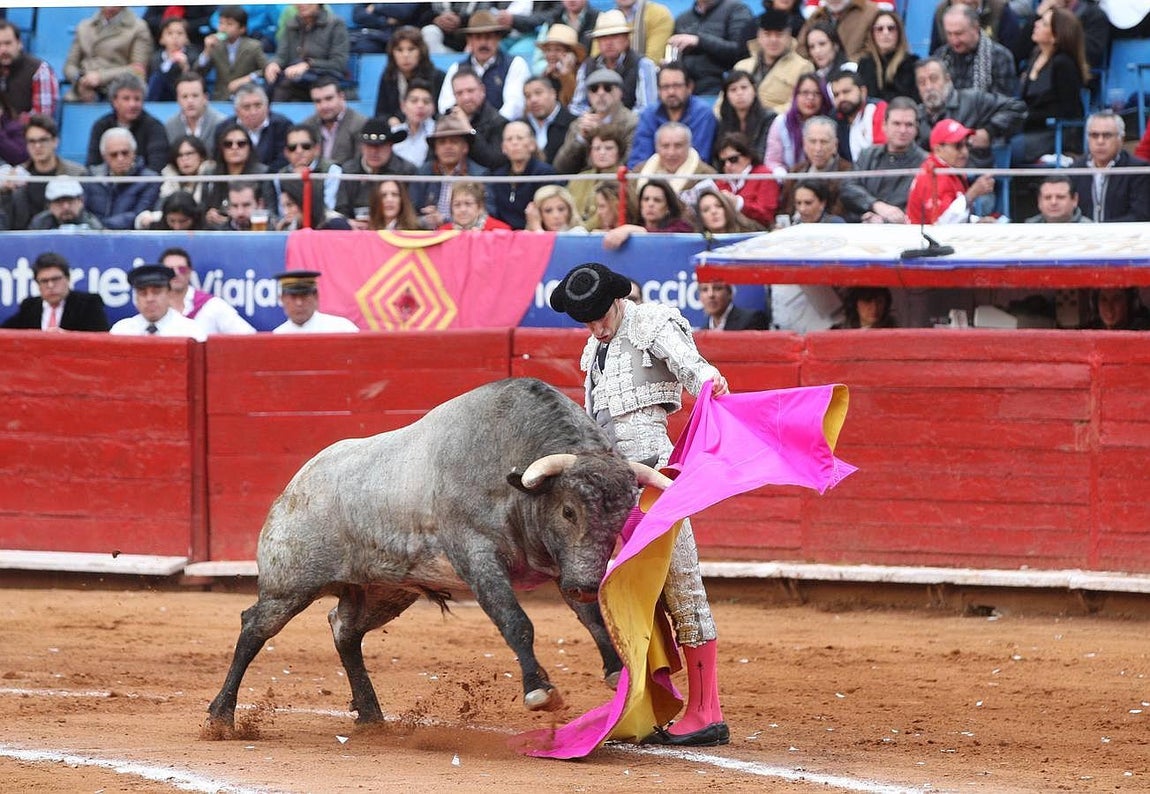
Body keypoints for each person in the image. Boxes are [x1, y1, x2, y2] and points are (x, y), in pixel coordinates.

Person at [548, 261, 730, 747]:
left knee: (681, 587)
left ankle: (706, 713)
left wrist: (709, 382)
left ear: (615, 299)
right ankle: (653, 703)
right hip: (614, 487)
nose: (593, 327)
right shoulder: (593, 350)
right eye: (583, 320)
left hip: (657, 480)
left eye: (597, 316)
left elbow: (697, 370)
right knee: (635, 596)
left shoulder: (653, 323)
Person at [914, 57, 1026, 170]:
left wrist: (990, 131)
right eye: (922, 82)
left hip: (972, 174)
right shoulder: (917, 116)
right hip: (933, 179)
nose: (928, 87)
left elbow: (1017, 108)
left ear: (947, 79)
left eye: (934, 79)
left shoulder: (973, 100)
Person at [1010, 7, 1089, 166]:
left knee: (1010, 148)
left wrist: (1026, 116)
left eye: (1044, 23)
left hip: (1056, 133)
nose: (1036, 24)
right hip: (1029, 129)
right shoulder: (1035, 55)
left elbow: (1068, 111)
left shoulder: (1063, 64)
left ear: (1055, 36)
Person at [841, 97, 928, 224]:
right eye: (896, 124)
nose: (902, 130)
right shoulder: (867, 154)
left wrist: (884, 219)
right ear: (884, 125)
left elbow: (924, 205)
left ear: (916, 128)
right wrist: (875, 205)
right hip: (864, 226)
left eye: (909, 125)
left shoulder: (926, 162)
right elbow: (848, 187)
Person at [437, 11, 530, 121]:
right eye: (478, 37)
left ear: (498, 39)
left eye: (488, 37)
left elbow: (515, 106)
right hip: (465, 130)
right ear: (469, 40)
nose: (483, 43)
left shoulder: (515, 64)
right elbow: (445, 105)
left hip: (501, 130)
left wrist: (492, 128)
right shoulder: (457, 68)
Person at [3, 115, 87, 231]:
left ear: (55, 141)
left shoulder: (77, 174)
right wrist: (4, 193)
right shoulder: (15, 177)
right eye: (32, 141)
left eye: (43, 140)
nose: (37, 146)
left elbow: (87, 216)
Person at [409, 113, 492, 229]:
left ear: (465, 148)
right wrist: (425, 219)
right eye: (442, 142)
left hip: (468, 235)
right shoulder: (424, 173)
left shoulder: (479, 175)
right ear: (435, 149)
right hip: (429, 237)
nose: (448, 147)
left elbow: (491, 212)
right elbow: (410, 212)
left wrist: (446, 221)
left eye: (454, 141)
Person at [906, 119, 997, 224]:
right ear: (938, 149)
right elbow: (941, 223)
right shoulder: (933, 175)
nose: (965, 152)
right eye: (958, 146)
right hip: (922, 239)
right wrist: (972, 194)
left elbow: (951, 216)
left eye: (966, 145)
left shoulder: (949, 170)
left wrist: (978, 221)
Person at [627, 62, 717, 169]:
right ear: (659, 90)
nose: (671, 92)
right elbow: (639, 159)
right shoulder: (649, 114)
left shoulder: (703, 113)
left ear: (689, 87)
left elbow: (699, 159)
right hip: (654, 178)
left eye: (677, 86)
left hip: (693, 179)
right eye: (665, 87)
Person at [568, 10, 658, 117]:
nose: (609, 42)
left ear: (626, 39)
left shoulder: (643, 65)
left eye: (615, 36)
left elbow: (647, 108)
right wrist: (592, 118)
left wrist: (614, 122)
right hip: (595, 127)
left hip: (631, 129)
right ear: (597, 42)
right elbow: (577, 106)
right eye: (603, 38)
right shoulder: (587, 66)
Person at [1068, 111, 1150, 223]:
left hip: (1126, 238)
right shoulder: (1075, 170)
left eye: (1107, 135)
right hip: (1081, 237)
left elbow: (1141, 215)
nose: (1100, 141)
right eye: (1094, 135)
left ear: (1121, 139)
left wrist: (1102, 232)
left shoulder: (1138, 170)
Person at [553, 68, 638, 175]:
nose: (600, 93)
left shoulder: (632, 122)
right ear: (589, 95)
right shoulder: (578, 125)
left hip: (617, 181)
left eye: (607, 88)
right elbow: (561, 168)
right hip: (583, 185)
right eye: (594, 89)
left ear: (619, 93)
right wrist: (581, 138)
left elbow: (630, 162)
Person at [155, 247, 254, 335]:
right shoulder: (152, 309)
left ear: (190, 272)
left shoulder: (213, 306)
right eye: (170, 269)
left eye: (182, 269)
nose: (176, 273)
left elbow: (249, 338)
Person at [63, 6, 153, 103]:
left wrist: (100, 77)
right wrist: (80, 81)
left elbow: (138, 70)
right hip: (81, 90)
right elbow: (70, 65)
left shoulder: (138, 27)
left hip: (117, 91)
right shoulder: (84, 26)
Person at [731, 9, 812, 116]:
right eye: (767, 34)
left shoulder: (803, 67)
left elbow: (801, 103)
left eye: (779, 35)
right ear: (759, 37)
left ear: (789, 37)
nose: (773, 40)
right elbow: (722, 103)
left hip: (779, 124)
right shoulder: (742, 66)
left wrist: (765, 116)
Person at [1, 252, 109, 332]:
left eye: (56, 279)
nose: (50, 285)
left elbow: (101, 338)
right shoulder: (29, 306)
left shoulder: (88, 304)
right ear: (37, 284)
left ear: (68, 278)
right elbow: (6, 333)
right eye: (44, 281)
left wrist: (69, 337)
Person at [264, 3, 350, 103]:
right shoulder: (291, 25)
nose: (301, 4)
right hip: (294, 78)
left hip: (325, 76)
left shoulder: (335, 24)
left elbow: (338, 63)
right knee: (269, 81)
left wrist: (308, 64)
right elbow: (282, 56)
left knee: (286, 87)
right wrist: (274, 63)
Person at [84, 73, 169, 174]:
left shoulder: (155, 127)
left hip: (144, 186)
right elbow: (93, 166)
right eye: (126, 98)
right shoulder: (101, 126)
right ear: (114, 101)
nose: (132, 104)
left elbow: (157, 167)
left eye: (137, 99)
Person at [336, 119, 415, 226]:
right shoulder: (349, 170)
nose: (374, 152)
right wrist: (349, 223)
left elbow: (412, 210)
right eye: (369, 146)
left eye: (379, 146)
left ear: (390, 146)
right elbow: (341, 208)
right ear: (362, 147)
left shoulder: (406, 171)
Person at [668, 0, 755, 95]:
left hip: (721, 89)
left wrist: (699, 41)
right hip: (686, 91)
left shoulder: (737, 10)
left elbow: (741, 51)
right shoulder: (682, 19)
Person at [932, 4, 1018, 97]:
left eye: (959, 33)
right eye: (949, 34)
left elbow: (1002, 102)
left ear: (975, 28)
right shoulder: (940, 56)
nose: (954, 40)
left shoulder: (1000, 57)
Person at [85, 127, 161, 230]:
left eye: (125, 153)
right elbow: (85, 212)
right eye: (113, 155)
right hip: (94, 236)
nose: (120, 159)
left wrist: (104, 226)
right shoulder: (92, 177)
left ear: (134, 152)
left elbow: (139, 214)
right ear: (104, 156)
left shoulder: (149, 179)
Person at [489, 120, 560, 230]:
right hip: (503, 235)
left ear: (532, 145)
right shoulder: (497, 177)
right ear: (504, 147)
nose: (514, 143)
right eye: (509, 139)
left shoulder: (545, 173)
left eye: (520, 138)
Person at [202, 123, 276, 226]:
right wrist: (208, 216)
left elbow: (272, 213)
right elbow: (202, 210)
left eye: (241, 143)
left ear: (249, 147)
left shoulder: (263, 174)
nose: (234, 147)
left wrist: (231, 222)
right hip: (215, 233)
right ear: (221, 148)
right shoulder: (210, 174)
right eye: (228, 144)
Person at [779, 115, 852, 219]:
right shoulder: (796, 172)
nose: (818, 148)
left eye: (824, 142)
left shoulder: (847, 172)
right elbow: (784, 210)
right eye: (813, 141)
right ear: (804, 144)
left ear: (835, 145)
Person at [109, 264, 207, 341]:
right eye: (143, 293)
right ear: (136, 298)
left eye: (156, 292)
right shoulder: (121, 331)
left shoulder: (191, 331)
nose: (149, 299)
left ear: (169, 294)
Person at [374, 26, 446, 123]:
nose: (405, 55)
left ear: (421, 52)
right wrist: (390, 120)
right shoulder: (388, 76)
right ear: (392, 53)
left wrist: (400, 119)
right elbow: (380, 113)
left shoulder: (437, 76)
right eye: (399, 50)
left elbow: (440, 112)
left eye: (411, 49)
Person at [198, 5, 269, 101]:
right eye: (221, 23)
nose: (223, 28)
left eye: (229, 24)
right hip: (221, 98)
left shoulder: (253, 46)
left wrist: (248, 78)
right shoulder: (215, 46)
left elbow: (266, 70)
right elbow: (198, 73)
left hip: (246, 97)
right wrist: (206, 51)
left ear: (242, 28)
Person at [443, 68, 509, 171]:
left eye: (470, 91)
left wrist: (468, 129)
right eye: (459, 93)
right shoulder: (446, 118)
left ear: (482, 90)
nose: (466, 97)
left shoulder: (498, 121)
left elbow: (493, 161)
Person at [765, 73, 831, 173]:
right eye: (805, 93)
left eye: (817, 93)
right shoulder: (781, 123)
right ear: (795, 95)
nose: (810, 98)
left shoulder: (830, 123)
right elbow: (772, 161)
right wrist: (784, 177)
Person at [568, 126, 632, 230]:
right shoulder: (578, 179)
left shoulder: (627, 178)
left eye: (608, 148)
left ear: (619, 151)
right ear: (590, 152)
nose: (602, 153)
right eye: (597, 148)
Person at [603, 179, 694, 249]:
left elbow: (665, 239)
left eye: (657, 200)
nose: (650, 204)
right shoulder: (633, 226)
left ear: (668, 207)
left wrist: (635, 230)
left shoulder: (682, 227)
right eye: (646, 199)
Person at [929, 0, 1026, 66]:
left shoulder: (1000, 10)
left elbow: (1013, 56)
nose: (968, 1)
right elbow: (934, 55)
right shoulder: (941, 11)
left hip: (992, 75)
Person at [714, 132, 778, 228]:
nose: (727, 165)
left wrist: (739, 203)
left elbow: (767, 216)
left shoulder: (764, 175)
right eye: (722, 162)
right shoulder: (721, 182)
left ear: (748, 156)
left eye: (733, 159)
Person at [0, 20, 59, 124]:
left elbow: (42, 118)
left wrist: (12, 124)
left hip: (23, 136)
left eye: (8, 43)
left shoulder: (39, 70)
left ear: (19, 43)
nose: (3, 50)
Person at [856, 10, 919, 103]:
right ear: (872, 34)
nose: (885, 33)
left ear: (899, 33)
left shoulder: (911, 63)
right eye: (879, 29)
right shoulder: (865, 63)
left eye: (891, 28)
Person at [224, 84, 292, 171]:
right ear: (236, 111)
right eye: (246, 107)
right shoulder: (225, 128)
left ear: (267, 107)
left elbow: (284, 160)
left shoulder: (282, 125)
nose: (253, 112)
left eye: (258, 105)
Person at [636, 121, 717, 194]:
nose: (671, 152)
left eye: (678, 146)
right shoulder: (638, 173)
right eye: (665, 146)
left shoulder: (706, 176)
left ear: (689, 146)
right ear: (656, 147)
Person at [276, 123, 342, 212]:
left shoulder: (332, 171)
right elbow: (282, 212)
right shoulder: (280, 176)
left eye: (305, 146)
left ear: (317, 149)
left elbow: (328, 208)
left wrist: (300, 183)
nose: (299, 151)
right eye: (292, 148)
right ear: (286, 153)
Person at [715, 70, 775, 164]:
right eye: (733, 90)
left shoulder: (769, 119)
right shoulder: (724, 121)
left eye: (744, 88)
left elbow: (763, 153)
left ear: (754, 90)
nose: (739, 93)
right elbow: (719, 156)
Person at [304, 76, 368, 165]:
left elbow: (359, 164)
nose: (324, 106)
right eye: (318, 101)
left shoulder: (360, 124)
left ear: (341, 97)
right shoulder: (308, 125)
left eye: (329, 98)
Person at [271, 269, 359, 333]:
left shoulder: (341, 329)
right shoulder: (278, 336)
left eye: (304, 296)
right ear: (281, 299)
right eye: (293, 297)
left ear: (316, 296)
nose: (299, 303)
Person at [828, 68, 887, 164]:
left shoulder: (877, 109)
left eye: (846, 92)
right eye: (836, 95)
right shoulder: (834, 118)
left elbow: (882, 150)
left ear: (863, 91)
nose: (841, 98)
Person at [797, 0, 880, 63]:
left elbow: (874, 49)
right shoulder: (817, 16)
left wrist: (847, 64)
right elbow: (801, 49)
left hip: (859, 75)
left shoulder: (870, 12)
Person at [523, 76, 577, 166]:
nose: (533, 100)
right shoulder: (521, 126)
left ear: (553, 94)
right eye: (528, 96)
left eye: (538, 93)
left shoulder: (573, 123)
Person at [146, 17, 200, 102]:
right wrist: (169, 63)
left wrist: (185, 68)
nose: (175, 37)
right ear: (161, 39)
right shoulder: (155, 58)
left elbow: (197, 81)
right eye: (169, 33)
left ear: (187, 39)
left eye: (180, 33)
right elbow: (154, 85)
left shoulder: (193, 56)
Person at [164, 72, 225, 147]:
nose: (190, 101)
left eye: (195, 96)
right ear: (178, 100)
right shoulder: (170, 126)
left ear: (205, 98)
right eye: (184, 96)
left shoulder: (220, 124)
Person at [535, 24, 585, 109]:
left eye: (558, 50)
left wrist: (565, 73)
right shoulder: (546, 75)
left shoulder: (581, 75)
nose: (551, 55)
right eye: (548, 50)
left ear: (571, 54)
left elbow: (568, 105)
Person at [27, 177, 105, 231]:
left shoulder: (93, 227)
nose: (65, 207)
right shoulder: (39, 225)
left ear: (81, 201)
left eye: (70, 200)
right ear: (49, 205)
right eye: (58, 202)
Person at [391, 79, 438, 167]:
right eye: (414, 101)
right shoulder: (394, 132)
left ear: (433, 107)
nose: (420, 105)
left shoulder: (438, 132)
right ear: (403, 106)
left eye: (426, 101)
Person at [277, 178, 352, 231]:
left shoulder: (336, 225)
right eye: (283, 206)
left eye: (290, 205)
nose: (285, 212)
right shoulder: (289, 228)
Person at [159, 134, 213, 206]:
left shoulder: (211, 176)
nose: (184, 159)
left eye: (189, 153)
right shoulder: (170, 177)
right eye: (180, 155)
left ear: (201, 156)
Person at [439, 179, 511, 231]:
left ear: (480, 207)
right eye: (457, 205)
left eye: (468, 204)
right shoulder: (443, 232)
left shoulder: (500, 230)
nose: (463, 209)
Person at [697, 279, 769, 330]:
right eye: (704, 289)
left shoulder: (752, 320)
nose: (711, 295)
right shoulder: (703, 331)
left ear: (730, 293)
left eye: (717, 288)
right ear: (699, 297)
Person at [694, 187, 764, 234]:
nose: (713, 212)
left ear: (727, 208)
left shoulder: (750, 233)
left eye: (718, 206)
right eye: (706, 210)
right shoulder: (695, 244)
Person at [1025, 175, 1091, 223]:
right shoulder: (1026, 229)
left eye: (1060, 197)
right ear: (1039, 201)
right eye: (1047, 197)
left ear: (1074, 200)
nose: (1053, 202)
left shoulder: (1091, 229)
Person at [136, 190, 205, 231]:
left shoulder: (209, 232)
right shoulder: (155, 231)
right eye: (172, 221)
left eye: (183, 221)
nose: (177, 227)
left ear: (194, 217)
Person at [1083, 288, 1150, 331]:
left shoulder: (1143, 330)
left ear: (1129, 302)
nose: (1109, 306)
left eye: (1116, 299)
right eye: (1104, 299)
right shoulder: (1089, 331)